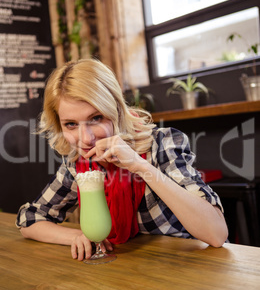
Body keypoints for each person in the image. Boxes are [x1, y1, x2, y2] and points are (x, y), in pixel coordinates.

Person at [16, 58, 228, 260]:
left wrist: (139, 165)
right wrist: (75, 236)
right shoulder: (78, 164)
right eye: (71, 124)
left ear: (116, 110)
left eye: (96, 118)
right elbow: (29, 219)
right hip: (125, 274)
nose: (86, 138)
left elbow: (217, 233)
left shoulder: (162, 144)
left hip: (184, 269)